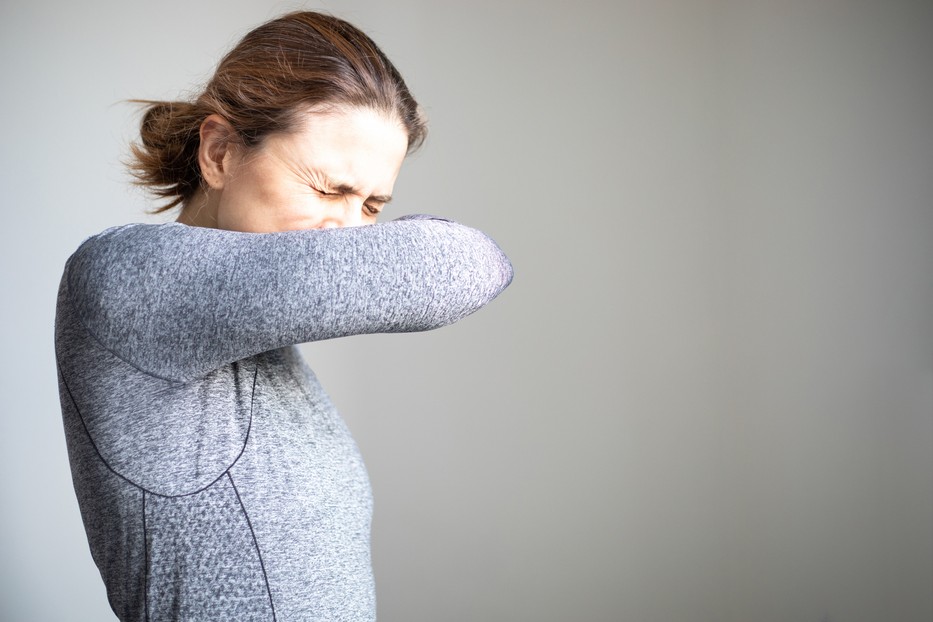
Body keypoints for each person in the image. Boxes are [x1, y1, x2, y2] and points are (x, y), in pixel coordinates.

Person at [54, 11, 512, 622]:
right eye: (328, 189)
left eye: (373, 204)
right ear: (219, 153)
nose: (351, 231)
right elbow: (463, 267)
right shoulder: (123, 275)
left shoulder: (261, 346)